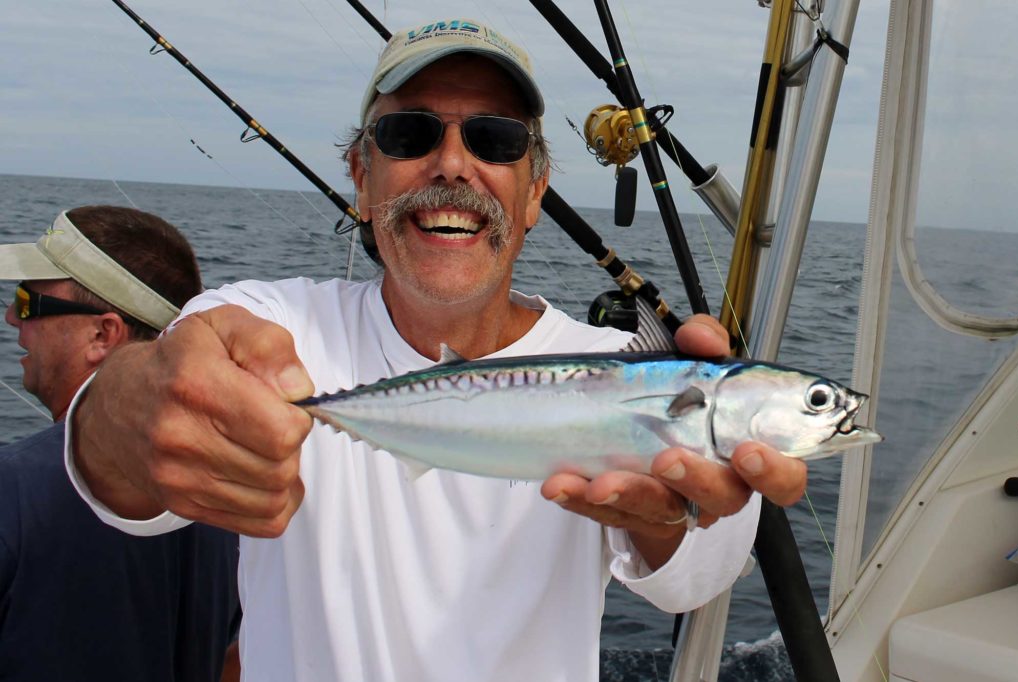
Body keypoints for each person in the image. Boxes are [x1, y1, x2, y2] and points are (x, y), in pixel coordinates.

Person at [65, 21, 807, 682]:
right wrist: (130, 403)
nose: (452, 165)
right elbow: (125, 445)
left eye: (495, 140)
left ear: (534, 192)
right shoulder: (269, 323)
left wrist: (666, 516)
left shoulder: (626, 364)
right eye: (409, 135)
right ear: (361, 178)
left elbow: (696, 577)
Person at [0, 206, 241, 681]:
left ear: (102, 333)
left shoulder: (13, 487)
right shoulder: (234, 491)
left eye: (29, 303)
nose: (11, 317)